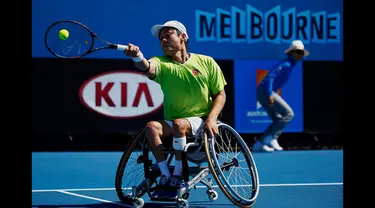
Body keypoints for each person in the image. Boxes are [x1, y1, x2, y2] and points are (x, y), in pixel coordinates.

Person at [123, 20, 227, 197]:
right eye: (161, 38)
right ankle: (165, 174)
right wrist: (137, 56)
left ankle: (178, 172)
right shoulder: (161, 63)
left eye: (168, 35)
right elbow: (147, 66)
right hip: (175, 123)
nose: (163, 40)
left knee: (180, 124)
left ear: (183, 37)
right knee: (151, 127)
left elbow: (220, 94)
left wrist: (212, 118)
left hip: (201, 121)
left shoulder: (206, 62)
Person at [252, 40, 309, 152]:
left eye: (302, 52)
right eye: (298, 52)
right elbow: (270, 77)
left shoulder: (290, 64)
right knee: (289, 113)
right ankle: (272, 138)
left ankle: (259, 144)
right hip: (265, 91)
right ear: (292, 53)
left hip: (263, 91)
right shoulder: (286, 64)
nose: (300, 55)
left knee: (278, 119)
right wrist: (269, 94)